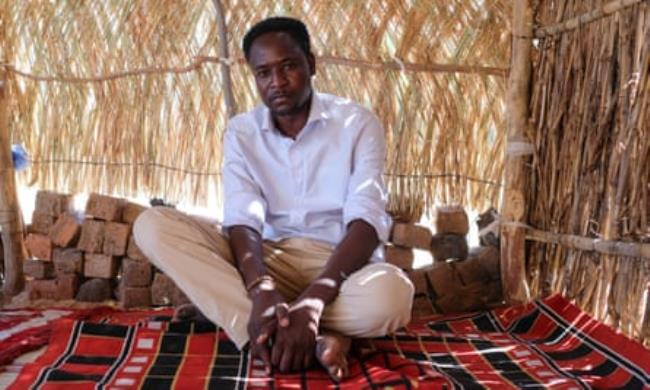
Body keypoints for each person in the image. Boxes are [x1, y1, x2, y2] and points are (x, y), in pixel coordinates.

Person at [134, 16, 414, 381]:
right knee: (152, 226)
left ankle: (260, 321)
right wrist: (261, 286)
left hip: (341, 265)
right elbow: (242, 216)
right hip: (270, 260)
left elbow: (366, 219)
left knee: (392, 298)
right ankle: (312, 331)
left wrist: (316, 296)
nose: (277, 82)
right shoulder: (241, 132)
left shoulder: (357, 123)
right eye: (263, 73)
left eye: (289, 67)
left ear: (311, 64)